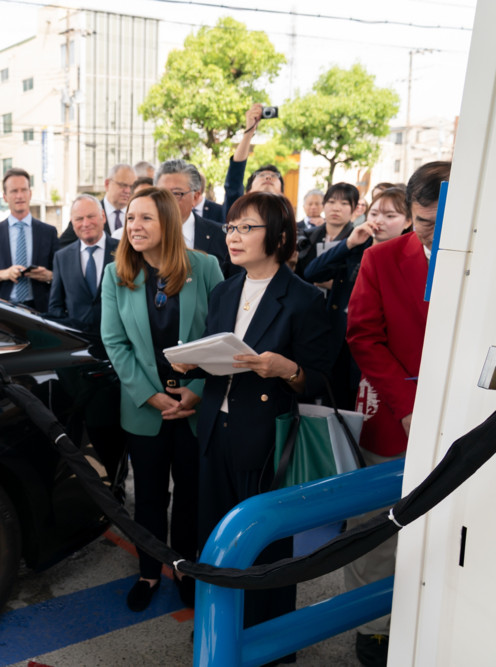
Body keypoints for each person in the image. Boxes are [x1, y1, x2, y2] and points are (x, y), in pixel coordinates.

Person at [189, 191, 332, 637]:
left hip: (266, 437)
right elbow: (216, 356)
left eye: (247, 227)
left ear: (280, 237)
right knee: (214, 535)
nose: (233, 236)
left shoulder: (304, 298)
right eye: (231, 227)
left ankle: (265, 637)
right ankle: (217, 629)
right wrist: (190, 361)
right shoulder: (224, 290)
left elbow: (319, 378)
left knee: (263, 543)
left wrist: (287, 369)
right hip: (215, 428)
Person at [343, 161, 450, 667]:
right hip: (394, 417)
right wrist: (409, 407)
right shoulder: (381, 259)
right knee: (377, 527)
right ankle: (373, 627)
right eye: (425, 222)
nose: (436, 233)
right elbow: (363, 336)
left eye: (446, 221)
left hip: (465, 423)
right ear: (410, 213)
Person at [100, 188, 224, 612]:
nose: (134, 226)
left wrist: (199, 390)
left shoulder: (205, 267)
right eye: (130, 218)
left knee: (191, 496)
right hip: (145, 408)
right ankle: (149, 572)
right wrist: (150, 395)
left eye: (145, 218)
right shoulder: (116, 273)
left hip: (195, 405)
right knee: (150, 497)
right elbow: (115, 342)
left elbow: (221, 333)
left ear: (168, 222)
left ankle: (185, 569)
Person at [304, 187, 410, 408]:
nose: (379, 221)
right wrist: (348, 243)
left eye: (390, 216)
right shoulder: (356, 248)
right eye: (374, 214)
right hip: (339, 347)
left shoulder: (408, 257)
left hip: (379, 353)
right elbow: (312, 273)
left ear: (408, 221)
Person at [0, 167, 58, 311]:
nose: (20, 196)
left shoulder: (48, 232)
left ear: (30, 193)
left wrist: (49, 276)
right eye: (14, 191)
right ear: (5, 197)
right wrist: (2, 274)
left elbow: (63, 274)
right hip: (3, 308)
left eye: (24, 190)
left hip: (40, 310)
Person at [47, 194, 119, 332]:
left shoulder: (124, 251)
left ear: (103, 216)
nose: (85, 224)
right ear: (72, 222)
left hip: (118, 338)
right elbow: (55, 307)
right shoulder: (62, 257)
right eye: (79, 219)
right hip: (78, 340)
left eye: (91, 216)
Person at [155, 159, 236, 277]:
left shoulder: (221, 236)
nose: (167, 201)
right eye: (162, 194)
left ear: (195, 197)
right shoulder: (143, 234)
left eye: (176, 193)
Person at [222, 103, 285, 220]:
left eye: (274, 176)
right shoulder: (237, 213)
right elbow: (235, 175)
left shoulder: (288, 224)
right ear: (248, 191)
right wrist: (249, 132)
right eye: (261, 175)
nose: (268, 178)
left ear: (281, 193)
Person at [60, 163, 134, 247]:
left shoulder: (136, 216)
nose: (128, 191)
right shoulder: (86, 212)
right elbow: (63, 247)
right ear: (107, 184)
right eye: (123, 185)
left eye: (132, 187)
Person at [295, 182, 359, 279]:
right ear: (324, 205)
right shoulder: (308, 236)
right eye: (331, 202)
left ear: (354, 209)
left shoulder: (358, 241)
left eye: (344, 203)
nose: (336, 208)